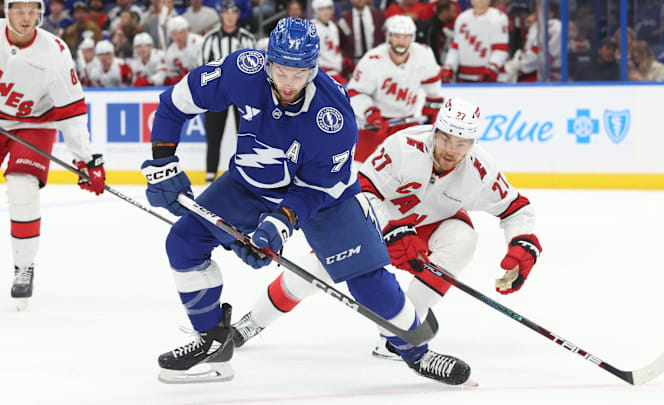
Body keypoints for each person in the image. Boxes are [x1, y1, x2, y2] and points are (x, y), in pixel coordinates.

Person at [140, 17, 472, 386]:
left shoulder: (334, 115)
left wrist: (280, 223)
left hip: (327, 198)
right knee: (184, 242)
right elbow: (173, 105)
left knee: (367, 280)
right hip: (252, 182)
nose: (288, 83)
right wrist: (162, 163)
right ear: (268, 61)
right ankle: (213, 344)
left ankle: (414, 351)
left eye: (299, 74)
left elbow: (315, 189)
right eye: (280, 70)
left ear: (314, 68)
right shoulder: (241, 71)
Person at [230, 97, 542, 361]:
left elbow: (517, 208)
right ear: (436, 131)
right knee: (312, 273)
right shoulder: (403, 146)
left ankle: (398, 332)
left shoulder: (481, 171)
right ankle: (254, 321)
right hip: (372, 221)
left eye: (461, 144)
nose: (450, 150)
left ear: (473, 144)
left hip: (429, 228)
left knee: (463, 238)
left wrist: (521, 245)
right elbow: (362, 191)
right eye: (445, 138)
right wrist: (390, 229)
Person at [0, 0, 105, 309]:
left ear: (41, 13)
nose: (26, 17)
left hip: (34, 123)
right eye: (19, 9)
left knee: (22, 187)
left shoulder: (55, 52)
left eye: (33, 10)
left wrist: (85, 159)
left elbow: (71, 113)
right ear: (7, 11)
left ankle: (23, 267)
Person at [347, 15, 443, 163]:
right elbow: (355, 92)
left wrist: (432, 106)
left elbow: (433, 84)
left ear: (413, 38)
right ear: (388, 37)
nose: (401, 42)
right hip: (377, 124)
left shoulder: (424, 54)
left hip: (408, 123)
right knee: (360, 167)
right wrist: (370, 113)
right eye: (397, 36)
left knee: (416, 165)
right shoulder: (373, 59)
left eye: (406, 37)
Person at [200, 0, 256, 183]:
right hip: (217, 93)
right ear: (221, 15)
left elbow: (255, 68)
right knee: (213, 134)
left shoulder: (248, 39)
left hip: (243, 95)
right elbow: (203, 69)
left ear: (238, 15)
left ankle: (247, 173)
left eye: (233, 12)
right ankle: (210, 174)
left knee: (246, 135)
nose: (230, 16)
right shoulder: (209, 40)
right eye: (227, 12)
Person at [441, 0, 509, 83]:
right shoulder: (462, 18)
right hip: (465, 77)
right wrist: (449, 67)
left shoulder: (498, 17)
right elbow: (455, 48)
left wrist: (492, 68)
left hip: (493, 79)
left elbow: (501, 50)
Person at [337, 0, 386, 78]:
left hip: (376, 62)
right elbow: (341, 42)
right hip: (353, 65)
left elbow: (383, 40)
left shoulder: (379, 16)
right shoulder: (344, 19)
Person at [311, 0, 346, 85]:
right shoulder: (312, 27)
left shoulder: (333, 26)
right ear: (316, 11)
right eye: (322, 9)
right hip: (321, 72)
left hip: (335, 70)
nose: (326, 12)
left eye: (329, 8)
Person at [415, 0, 457, 65]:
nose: (455, 15)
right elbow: (427, 51)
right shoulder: (428, 27)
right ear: (445, 12)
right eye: (453, 12)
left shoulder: (442, 29)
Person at [163, 16, 203, 85]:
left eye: (181, 32)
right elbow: (172, 74)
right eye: (175, 34)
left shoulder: (199, 42)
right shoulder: (170, 52)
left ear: (187, 31)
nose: (178, 37)